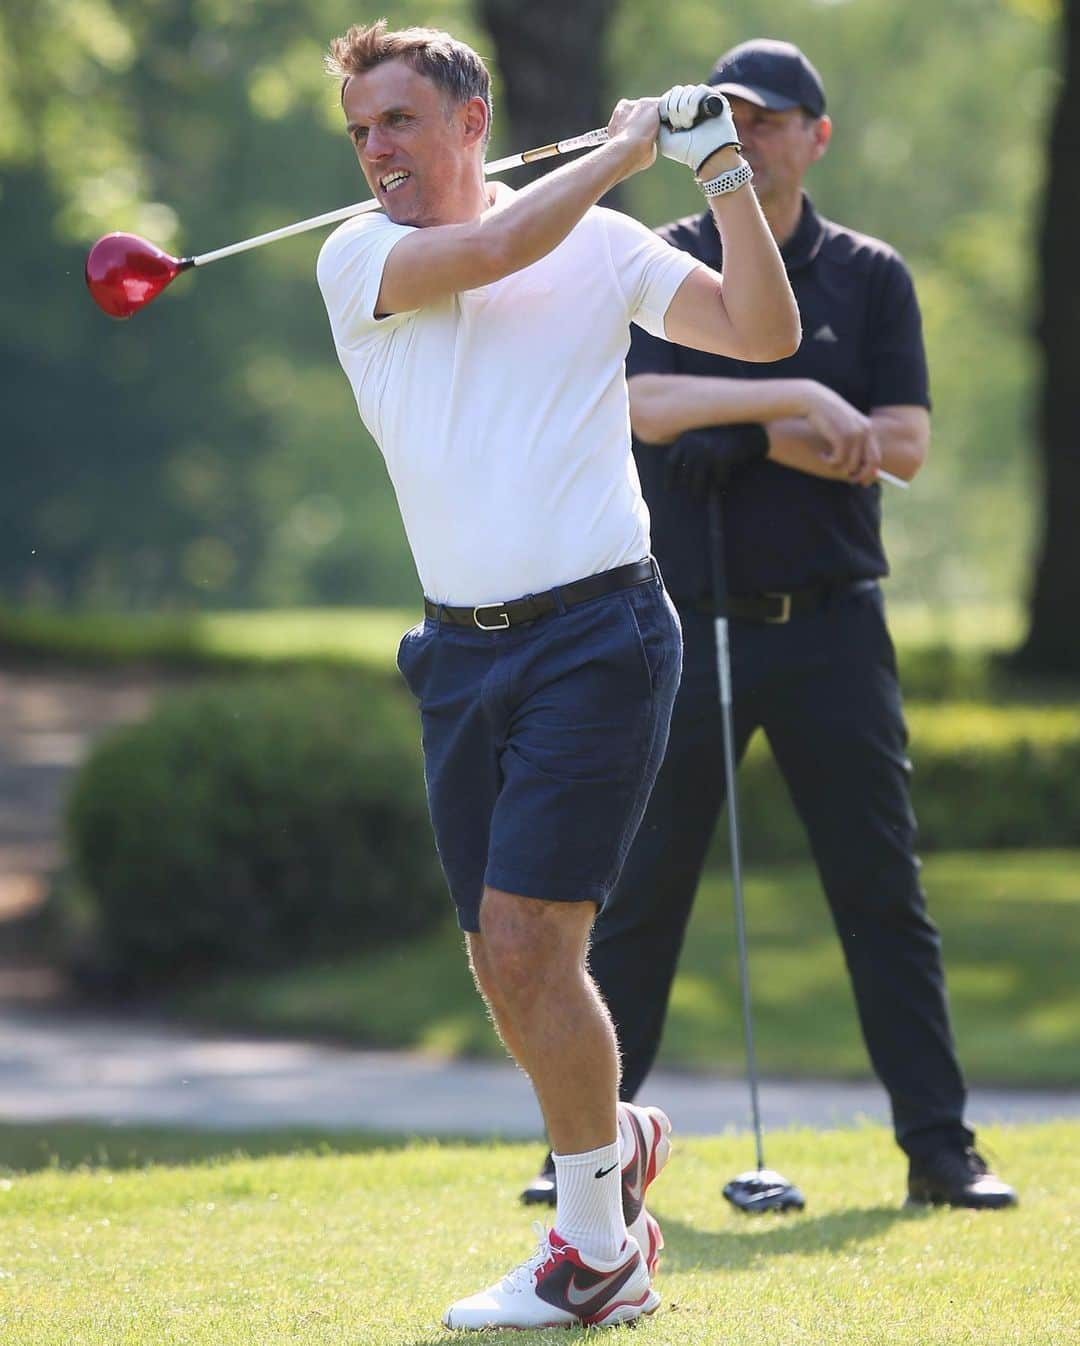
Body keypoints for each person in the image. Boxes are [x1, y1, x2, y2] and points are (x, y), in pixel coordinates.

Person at [316, 21, 799, 1331]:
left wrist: (719, 181)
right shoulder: (360, 255)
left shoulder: (596, 242)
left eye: (400, 124)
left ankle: (598, 1252)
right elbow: (490, 252)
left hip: (600, 634)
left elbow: (761, 329)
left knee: (534, 941)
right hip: (456, 651)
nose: (377, 153)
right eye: (361, 132)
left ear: (471, 123)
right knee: (500, 958)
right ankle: (612, 1141)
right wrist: (628, 151)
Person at [521, 38, 1017, 1214]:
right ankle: (578, 1155)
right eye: (730, 119)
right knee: (639, 893)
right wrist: (792, 403)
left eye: (773, 119)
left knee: (881, 892)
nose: (748, 136)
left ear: (816, 135)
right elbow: (643, 405)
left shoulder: (870, 275)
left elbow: (898, 446)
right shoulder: (667, 258)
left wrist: (733, 427)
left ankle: (941, 1151)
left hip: (835, 629)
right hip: (686, 625)